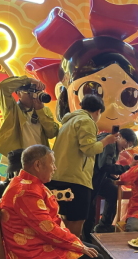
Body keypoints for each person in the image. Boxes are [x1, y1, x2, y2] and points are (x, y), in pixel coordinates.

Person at [0, 145, 118, 259]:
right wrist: (77, 245)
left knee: (94, 251)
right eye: (52, 163)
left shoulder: (25, 183)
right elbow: (48, 230)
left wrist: (77, 243)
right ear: (38, 165)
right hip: (31, 254)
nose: (54, 168)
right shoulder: (26, 191)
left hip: (35, 244)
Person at [47, 95, 117, 238]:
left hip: (58, 176)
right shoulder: (86, 121)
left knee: (64, 220)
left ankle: (64, 250)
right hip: (76, 179)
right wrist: (106, 141)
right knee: (77, 221)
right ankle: (72, 251)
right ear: (98, 111)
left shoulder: (68, 121)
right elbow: (89, 149)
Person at [83, 129, 138, 241]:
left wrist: (113, 175)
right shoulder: (110, 142)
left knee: (113, 192)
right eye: (127, 143)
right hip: (90, 179)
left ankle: (104, 226)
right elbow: (105, 166)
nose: (127, 147)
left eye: (130, 146)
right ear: (120, 136)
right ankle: (88, 239)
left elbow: (103, 166)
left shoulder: (110, 143)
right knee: (90, 212)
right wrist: (128, 167)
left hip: (97, 178)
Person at [0, 76, 59, 159]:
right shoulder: (12, 109)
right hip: (18, 160)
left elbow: (51, 133)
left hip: (39, 159)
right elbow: (2, 87)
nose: (34, 96)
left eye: (37, 92)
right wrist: (29, 80)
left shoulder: (44, 110)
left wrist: (40, 111)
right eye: (30, 92)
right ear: (19, 93)